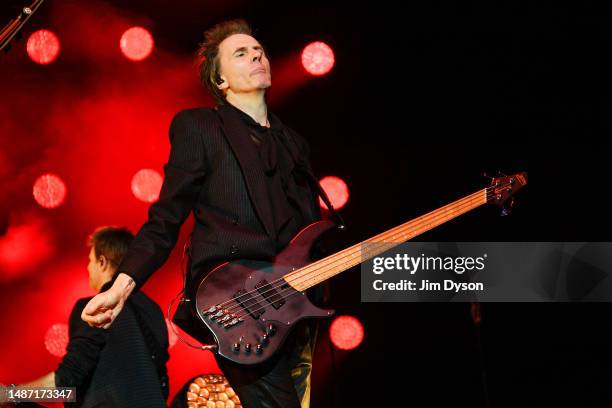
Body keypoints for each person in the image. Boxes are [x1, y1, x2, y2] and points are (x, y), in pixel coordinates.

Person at [81, 19, 339, 408]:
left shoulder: (293, 144)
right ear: (221, 81)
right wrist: (120, 287)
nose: (257, 55)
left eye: (259, 50)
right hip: (234, 302)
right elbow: (166, 218)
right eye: (241, 53)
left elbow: (307, 231)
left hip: (295, 301)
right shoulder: (200, 127)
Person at [11, 227, 170, 407]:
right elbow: (161, 385)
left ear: (102, 262)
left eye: (90, 260)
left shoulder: (93, 308)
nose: (88, 267)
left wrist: (11, 395)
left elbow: (66, 382)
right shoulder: (154, 311)